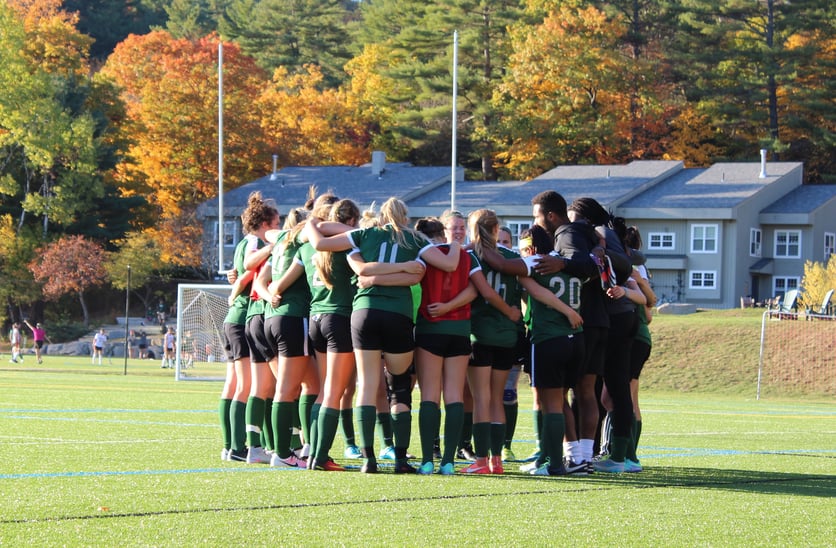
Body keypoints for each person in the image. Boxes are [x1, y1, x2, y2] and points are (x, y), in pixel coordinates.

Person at [306, 197, 461, 474]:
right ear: (405, 216)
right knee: (399, 385)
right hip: (398, 315)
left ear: (379, 215)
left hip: (364, 313)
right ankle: (400, 459)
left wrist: (312, 222)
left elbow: (320, 243)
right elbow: (448, 264)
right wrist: (459, 242)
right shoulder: (415, 239)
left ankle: (368, 460)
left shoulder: (364, 234)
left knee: (366, 386)